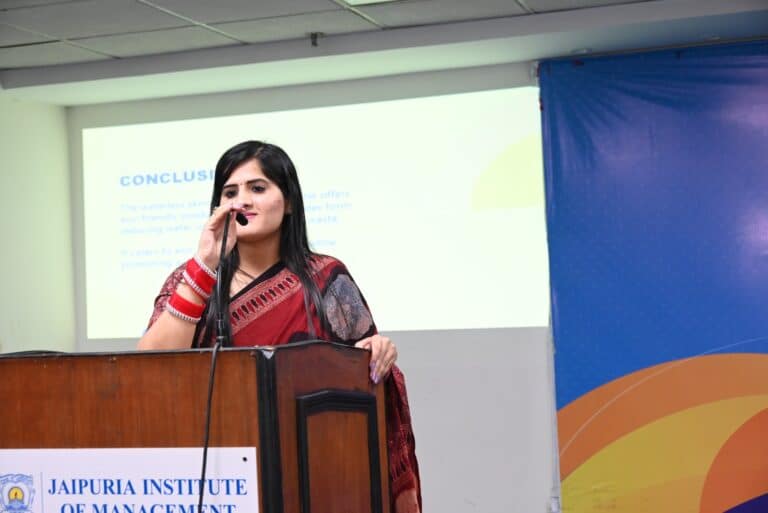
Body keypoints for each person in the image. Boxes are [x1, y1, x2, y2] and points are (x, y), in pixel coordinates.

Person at [138, 140, 421, 512]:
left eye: (257, 188)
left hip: (311, 468)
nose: (242, 201)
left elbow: (363, 366)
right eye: (230, 193)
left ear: (288, 202)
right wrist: (204, 266)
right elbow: (147, 369)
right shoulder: (192, 278)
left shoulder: (326, 278)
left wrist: (376, 354)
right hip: (222, 471)